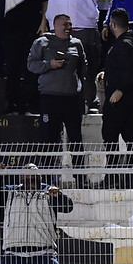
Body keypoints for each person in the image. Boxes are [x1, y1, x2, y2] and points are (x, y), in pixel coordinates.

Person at [36, 0, 102, 113]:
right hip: (58, 33)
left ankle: (91, 102)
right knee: (61, 73)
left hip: (84, 30)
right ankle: (64, 107)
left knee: (87, 71)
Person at [27, 14, 88, 183]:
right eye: (64, 24)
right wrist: (49, 65)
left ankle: (80, 177)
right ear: (55, 25)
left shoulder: (77, 44)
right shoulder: (42, 42)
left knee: (76, 138)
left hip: (71, 98)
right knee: (49, 138)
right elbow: (31, 65)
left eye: (70, 24)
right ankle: (47, 177)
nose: (68, 27)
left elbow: (84, 67)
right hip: (50, 97)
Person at [98, 8, 133, 189]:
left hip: (120, 100)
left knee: (111, 136)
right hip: (130, 99)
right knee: (130, 137)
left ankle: (115, 176)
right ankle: (129, 177)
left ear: (112, 24)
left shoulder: (124, 44)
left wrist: (119, 89)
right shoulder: (132, 41)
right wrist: (107, 73)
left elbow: (130, 69)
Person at [0, 0, 49, 115]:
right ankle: (13, 103)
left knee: (30, 68)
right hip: (11, 29)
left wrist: (43, 22)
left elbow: (44, 1)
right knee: (13, 67)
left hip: (32, 29)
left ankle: (30, 103)